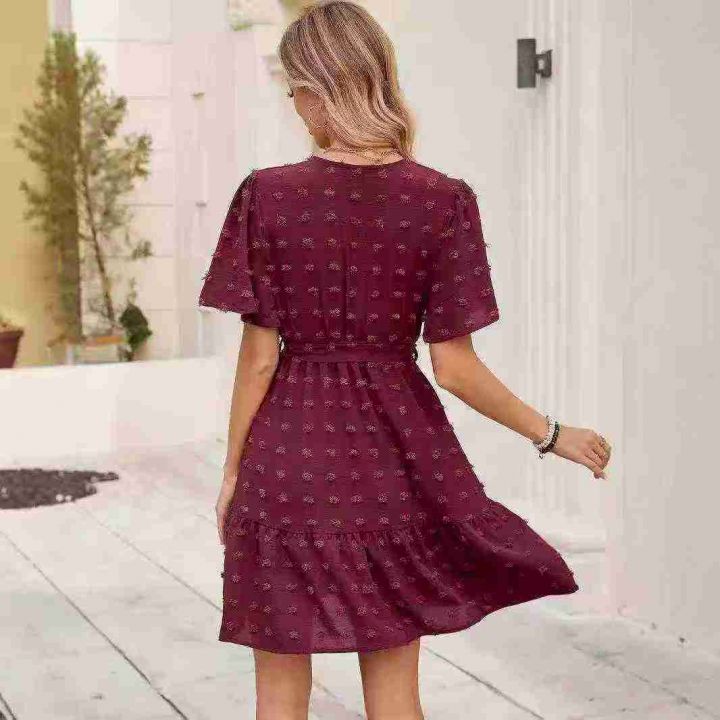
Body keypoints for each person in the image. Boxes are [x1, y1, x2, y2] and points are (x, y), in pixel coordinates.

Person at [198, 2, 612, 718]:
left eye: (294, 90)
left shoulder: (265, 196)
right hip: (391, 466)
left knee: (278, 694)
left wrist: (234, 470)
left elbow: (259, 359)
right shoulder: (442, 201)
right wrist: (551, 433)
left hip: (286, 461)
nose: (293, 105)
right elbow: (454, 367)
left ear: (317, 90)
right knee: (395, 696)